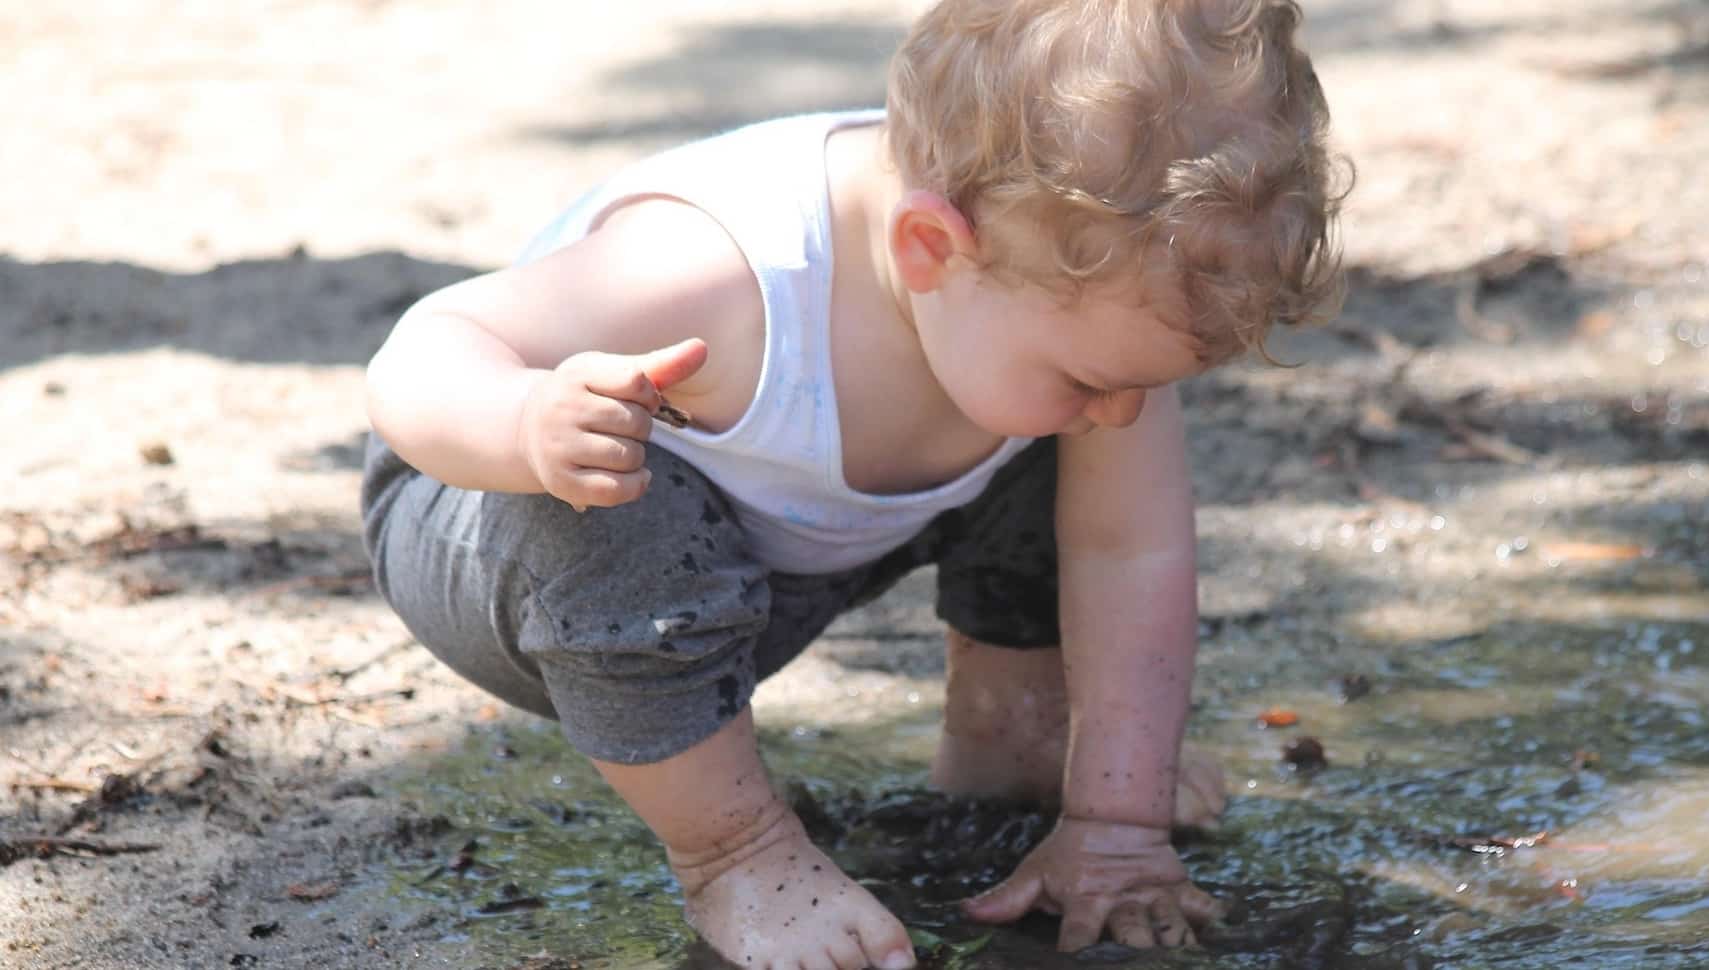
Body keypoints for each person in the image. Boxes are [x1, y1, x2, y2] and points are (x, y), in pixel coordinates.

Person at [360, 0, 1346, 966]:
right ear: (931, 250)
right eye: (1098, 375)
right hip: (498, 538)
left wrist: (1119, 821)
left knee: (1062, 438)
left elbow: (1131, 550)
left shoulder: (1050, 294)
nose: (1124, 411)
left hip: (779, 554)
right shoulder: (724, 274)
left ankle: (1016, 727)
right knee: (614, 504)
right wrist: (528, 426)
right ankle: (739, 854)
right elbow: (427, 350)